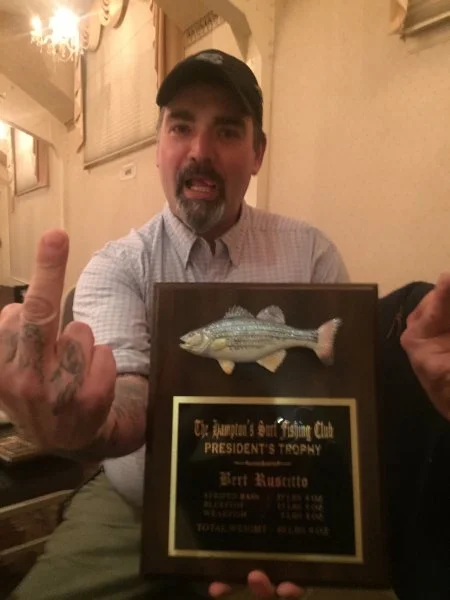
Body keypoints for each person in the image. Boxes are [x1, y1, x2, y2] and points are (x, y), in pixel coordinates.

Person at [0, 50, 449, 600]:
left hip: (287, 501)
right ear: (159, 148)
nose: (200, 151)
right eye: (181, 127)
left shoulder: (310, 252)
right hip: (141, 508)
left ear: (258, 154)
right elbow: (129, 394)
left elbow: (334, 405)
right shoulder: (118, 266)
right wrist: (83, 423)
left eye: (228, 131)